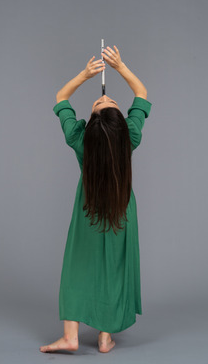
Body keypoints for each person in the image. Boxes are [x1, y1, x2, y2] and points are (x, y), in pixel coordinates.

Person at [39, 45, 152, 353]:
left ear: (90, 125)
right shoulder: (130, 136)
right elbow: (141, 92)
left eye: (104, 102)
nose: (104, 98)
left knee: (77, 267)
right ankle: (105, 337)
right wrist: (120, 67)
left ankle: (71, 337)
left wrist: (85, 75)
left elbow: (61, 97)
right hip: (121, 212)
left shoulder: (80, 140)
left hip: (88, 213)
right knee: (113, 268)